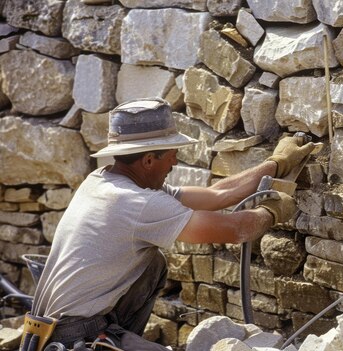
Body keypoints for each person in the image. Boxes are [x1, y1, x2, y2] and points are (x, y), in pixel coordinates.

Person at [30, 98, 315, 350]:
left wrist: (276, 163)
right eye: (171, 154)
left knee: (152, 263)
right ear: (149, 160)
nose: (175, 162)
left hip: (57, 328)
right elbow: (236, 229)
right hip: (75, 339)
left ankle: (119, 336)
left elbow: (218, 195)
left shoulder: (106, 182)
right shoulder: (138, 203)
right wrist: (274, 210)